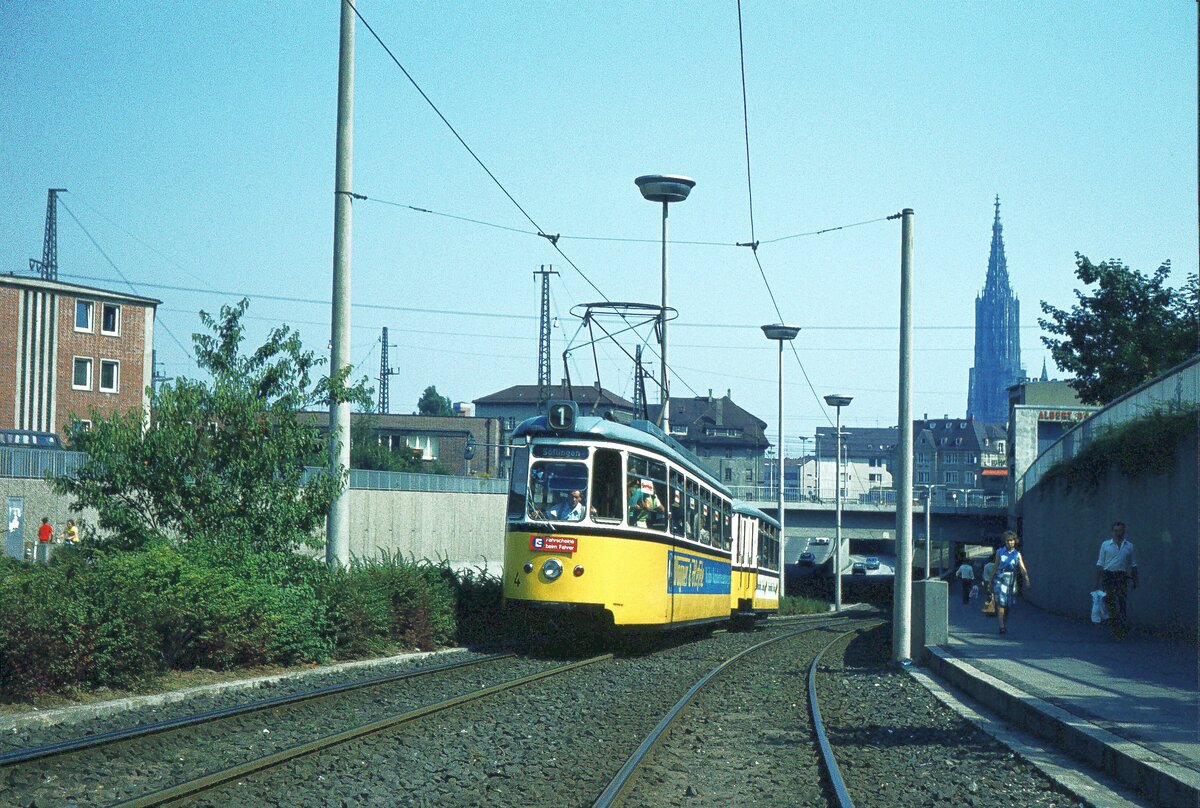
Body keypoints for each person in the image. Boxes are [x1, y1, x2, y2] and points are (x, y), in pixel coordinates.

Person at [1095, 521, 1138, 639]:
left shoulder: (1129, 546)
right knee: (1110, 602)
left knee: (1122, 602)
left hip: (1121, 577)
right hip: (1109, 576)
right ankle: (1114, 628)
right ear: (1112, 532)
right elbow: (1100, 563)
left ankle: (1122, 625)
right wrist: (1097, 581)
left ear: (1124, 531)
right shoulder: (1105, 545)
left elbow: (1133, 565)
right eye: (1116, 531)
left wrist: (1135, 580)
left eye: (1120, 530)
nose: (1118, 533)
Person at [989, 530, 1030, 635]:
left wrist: (1027, 580)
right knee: (1001, 603)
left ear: (1014, 541)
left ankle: (1003, 623)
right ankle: (1001, 626)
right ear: (1005, 542)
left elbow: (1022, 568)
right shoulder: (999, 552)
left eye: (1012, 540)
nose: (1010, 542)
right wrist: (990, 581)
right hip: (1000, 578)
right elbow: (995, 566)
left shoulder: (1017, 554)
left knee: (1007, 605)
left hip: (1011, 579)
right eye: (1008, 541)